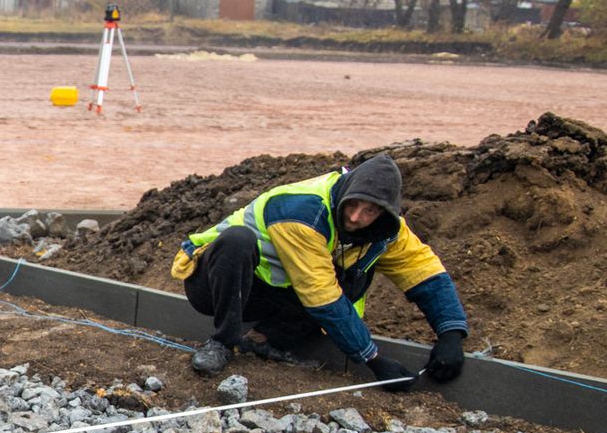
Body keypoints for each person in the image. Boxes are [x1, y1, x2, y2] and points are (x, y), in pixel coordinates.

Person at [172, 153, 468, 390]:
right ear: (347, 191)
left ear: (384, 213)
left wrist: (451, 334)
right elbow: (320, 295)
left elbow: (422, 270)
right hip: (212, 283)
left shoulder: (387, 231)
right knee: (238, 239)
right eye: (353, 205)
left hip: (268, 294)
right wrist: (374, 360)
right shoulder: (303, 212)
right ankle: (222, 342)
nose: (355, 217)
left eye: (369, 212)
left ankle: (265, 341)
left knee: (354, 276)